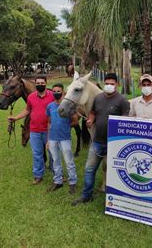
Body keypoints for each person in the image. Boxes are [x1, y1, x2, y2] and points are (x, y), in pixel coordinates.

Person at [72, 72, 130, 206]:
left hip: (114, 144)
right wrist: (91, 120)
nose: (109, 86)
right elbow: (93, 112)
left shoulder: (122, 101)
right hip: (97, 141)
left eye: (112, 84)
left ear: (117, 85)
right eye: (107, 83)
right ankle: (86, 196)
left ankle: (114, 200)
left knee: (113, 171)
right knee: (89, 169)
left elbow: (125, 119)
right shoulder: (98, 98)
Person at [8, 76, 55, 184]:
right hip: (35, 130)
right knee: (37, 153)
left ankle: (57, 174)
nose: (40, 84)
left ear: (46, 83)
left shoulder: (52, 96)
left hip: (50, 130)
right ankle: (38, 175)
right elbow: (27, 110)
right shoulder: (31, 97)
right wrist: (15, 117)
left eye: (42, 83)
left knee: (53, 153)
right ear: (35, 84)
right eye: (38, 83)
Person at [46, 83, 79, 194]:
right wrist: (48, 139)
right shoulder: (50, 106)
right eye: (54, 91)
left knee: (69, 161)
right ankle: (58, 181)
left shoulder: (69, 106)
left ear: (63, 92)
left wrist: (66, 127)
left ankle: (72, 182)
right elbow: (49, 122)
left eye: (58, 91)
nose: (56, 93)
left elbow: (75, 121)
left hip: (65, 138)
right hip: (53, 138)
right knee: (55, 161)